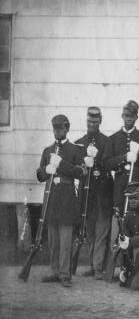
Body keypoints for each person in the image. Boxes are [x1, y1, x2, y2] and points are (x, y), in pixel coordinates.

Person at [103, 100, 139, 276]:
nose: (128, 119)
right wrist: (124, 157)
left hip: (138, 189)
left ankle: (135, 267)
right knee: (118, 225)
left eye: (132, 116)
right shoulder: (113, 139)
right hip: (120, 189)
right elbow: (106, 163)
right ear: (122, 116)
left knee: (136, 227)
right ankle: (113, 267)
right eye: (126, 116)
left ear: (136, 117)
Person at [36, 114, 86, 287]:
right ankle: (55, 271)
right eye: (55, 128)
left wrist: (61, 164)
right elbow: (40, 176)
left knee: (65, 239)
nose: (57, 131)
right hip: (51, 197)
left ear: (67, 128)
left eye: (61, 128)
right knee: (53, 238)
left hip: (66, 198)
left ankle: (65, 274)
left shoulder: (76, 150)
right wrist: (46, 169)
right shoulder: (47, 150)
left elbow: (81, 172)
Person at [74, 107, 114, 280]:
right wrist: (83, 165)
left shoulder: (107, 141)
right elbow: (75, 167)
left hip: (103, 193)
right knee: (90, 232)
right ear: (86, 121)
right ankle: (92, 265)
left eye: (95, 122)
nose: (92, 124)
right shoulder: (79, 142)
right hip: (86, 195)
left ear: (100, 122)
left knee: (102, 231)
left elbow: (109, 165)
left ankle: (99, 267)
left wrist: (96, 161)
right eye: (90, 121)